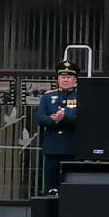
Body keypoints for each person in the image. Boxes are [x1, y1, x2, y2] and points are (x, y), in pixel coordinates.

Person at [35, 60, 79, 196]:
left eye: (69, 77)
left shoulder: (80, 96)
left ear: (75, 79)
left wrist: (65, 117)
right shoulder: (48, 96)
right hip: (52, 147)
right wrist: (53, 119)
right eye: (62, 77)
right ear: (58, 79)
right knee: (51, 187)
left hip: (72, 148)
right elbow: (40, 118)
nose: (65, 80)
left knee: (71, 186)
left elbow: (83, 119)